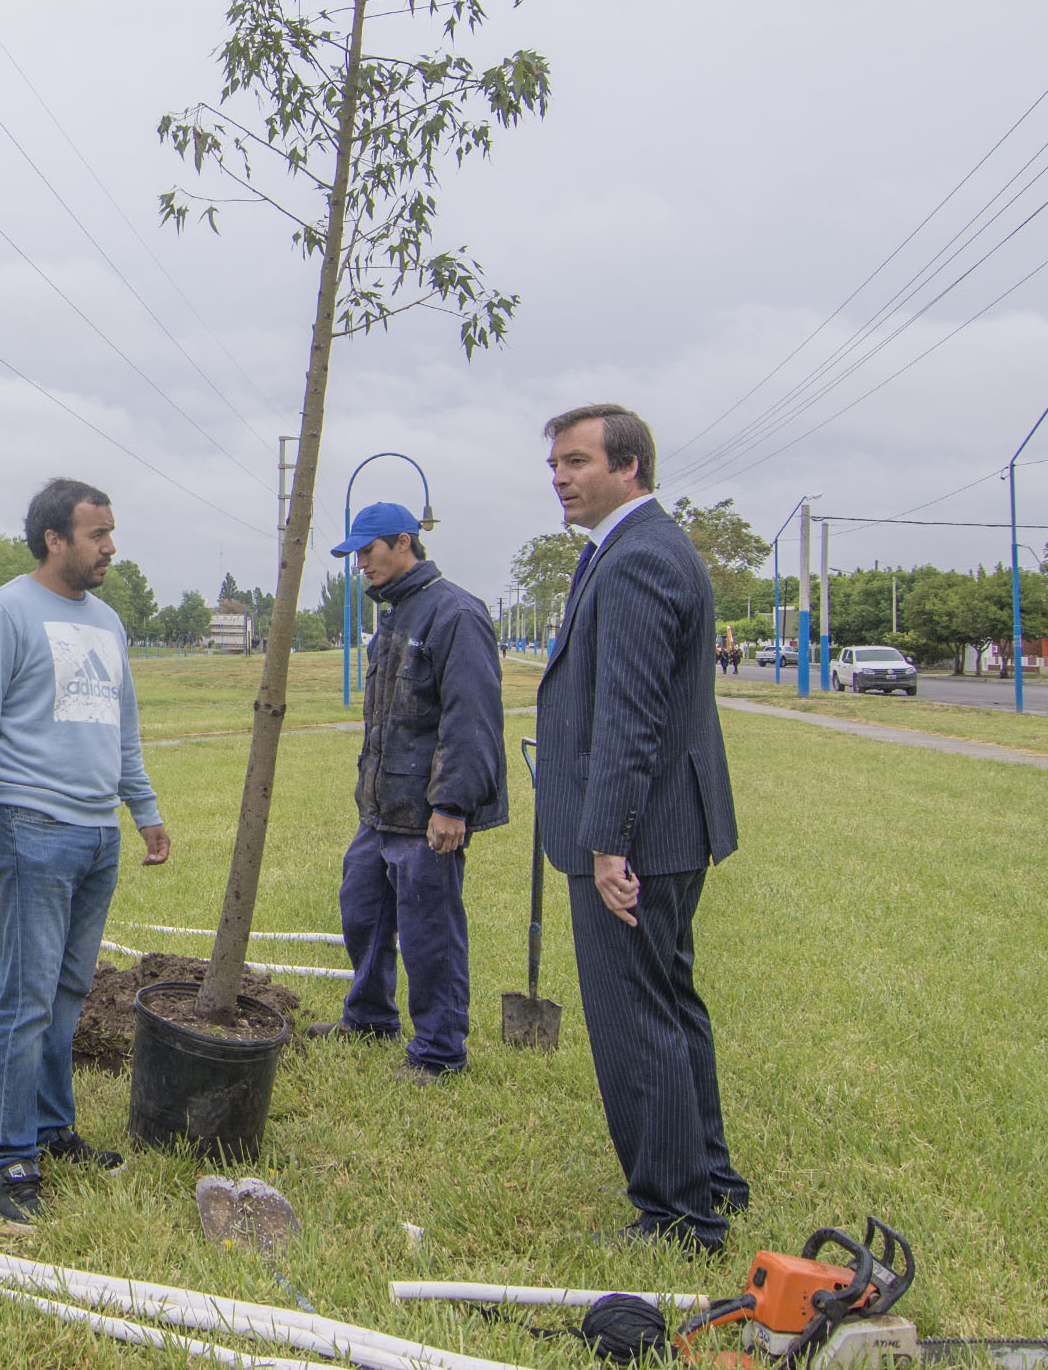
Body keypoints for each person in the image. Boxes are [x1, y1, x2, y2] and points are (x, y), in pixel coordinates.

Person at [533, 403, 747, 1253]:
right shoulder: (634, 549)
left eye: (576, 461)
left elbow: (630, 716)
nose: (559, 476)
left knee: (635, 1018)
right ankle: (711, 1181)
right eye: (553, 463)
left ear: (628, 467)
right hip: (667, 826)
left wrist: (610, 843)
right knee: (670, 1002)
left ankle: (676, 1215)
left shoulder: (635, 560)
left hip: (637, 838)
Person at [0, 477, 171, 1223]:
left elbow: (122, 727)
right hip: (30, 829)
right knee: (25, 999)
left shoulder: (107, 621)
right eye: (97, 534)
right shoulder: (5, 611)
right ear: (55, 540)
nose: (110, 547)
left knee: (69, 994)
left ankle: (51, 1129)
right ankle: (9, 1159)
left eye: (110, 532)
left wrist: (143, 810)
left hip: (97, 833)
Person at [310, 502, 505, 1082]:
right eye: (355, 556)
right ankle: (370, 1018)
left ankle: (440, 1052)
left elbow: (471, 719)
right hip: (380, 812)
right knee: (361, 910)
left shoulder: (454, 613)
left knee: (430, 933)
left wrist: (451, 804)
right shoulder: (395, 615)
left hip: (426, 815)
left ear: (403, 542)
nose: (360, 565)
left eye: (368, 552)